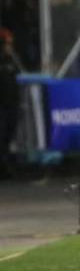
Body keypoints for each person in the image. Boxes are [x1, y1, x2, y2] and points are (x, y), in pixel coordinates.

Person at [0, 29, 19, 180]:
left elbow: (15, 77)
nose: (10, 47)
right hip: (2, 105)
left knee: (8, 136)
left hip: (11, 104)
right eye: (7, 44)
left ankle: (5, 166)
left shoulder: (11, 61)